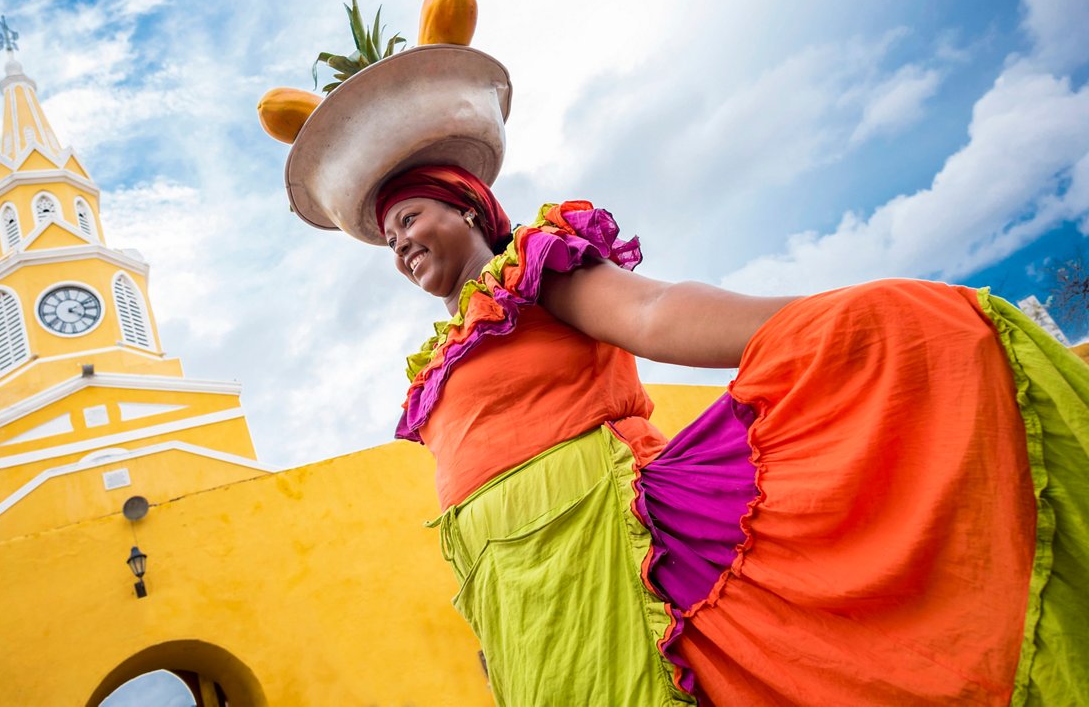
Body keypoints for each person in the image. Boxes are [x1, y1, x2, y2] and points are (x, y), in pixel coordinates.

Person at [372, 164, 1089, 706]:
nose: (400, 241)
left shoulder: (529, 274)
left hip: (615, 550)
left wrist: (820, 321)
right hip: (525, 612)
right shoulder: (435, 363)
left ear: (465, 204)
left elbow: (653, 312)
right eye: (388, 237)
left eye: (409, 216)